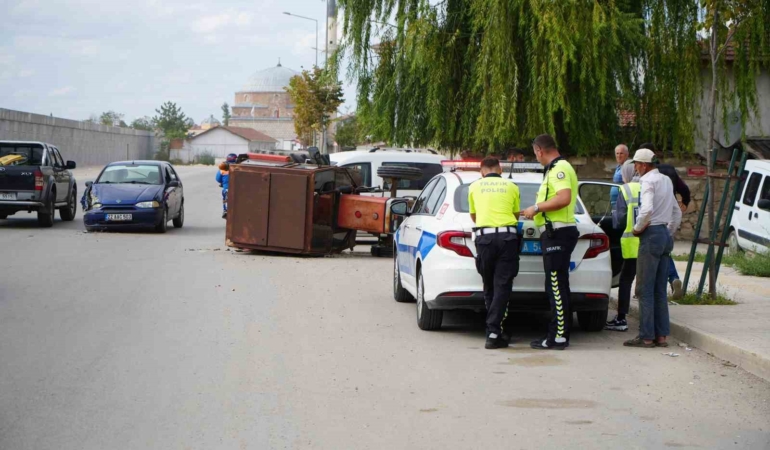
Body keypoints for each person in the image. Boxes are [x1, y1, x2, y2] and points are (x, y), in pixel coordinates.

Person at [520, 134, 579, 350]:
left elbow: (563, 198)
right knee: (556, 285)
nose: (537, 157)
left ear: (539, 150)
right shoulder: (555, 169)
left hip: (558, 234)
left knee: (556, 286)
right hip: (555, 232)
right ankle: (556, 335)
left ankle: (559, 337)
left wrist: (536, 208)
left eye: (535, 154)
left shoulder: (559, 169)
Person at [623, 148, 682, 348]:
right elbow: (677, 212)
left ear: (645, 165)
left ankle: (646, 336)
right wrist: (669, 232)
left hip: (651, 234)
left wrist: (638, 228)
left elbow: (646, 209)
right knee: (659, 289)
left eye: (637, 164)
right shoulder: (666, 180)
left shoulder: (647, 181)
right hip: (664, 234)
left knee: (644, 289)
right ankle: (661, 335)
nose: (635, 168)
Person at [468, 157, 521, 349]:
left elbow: (474, 216)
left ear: (482, 171)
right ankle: (494, 330)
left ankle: (493, 330)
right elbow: (515, 215)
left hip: (485, 239)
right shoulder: (512, 186)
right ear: (500, 170)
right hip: (508, 239)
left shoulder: (474, 187)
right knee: (503, 285)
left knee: (488, 284)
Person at [641, 143, 690, 300]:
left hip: (652, 221)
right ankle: (671, 279)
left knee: (651, 258)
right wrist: (685, 203)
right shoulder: (669, 170)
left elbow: (646, 207)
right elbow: (684, 189)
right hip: (669, 216)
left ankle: (654, 288)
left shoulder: (647, 177)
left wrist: (638, 227)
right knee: (664, 253)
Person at [605, 160, 640, 332]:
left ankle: (621, 318)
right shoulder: (649, 186)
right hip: (650, 244)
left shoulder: (625, 189)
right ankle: (653, 322)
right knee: (650, 283)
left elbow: (618, 222)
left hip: (631, 245)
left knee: (626, 282)